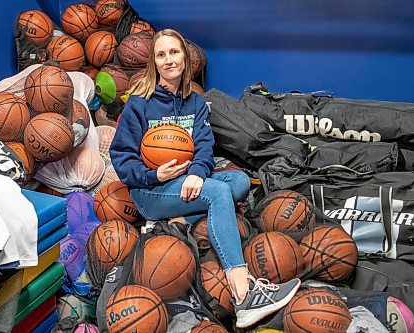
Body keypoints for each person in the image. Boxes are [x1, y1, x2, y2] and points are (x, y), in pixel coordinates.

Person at [109, 28, 300, 328]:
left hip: (186, 183)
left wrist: (197, 174)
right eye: (161, 55)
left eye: (174, 52)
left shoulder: (195, 103)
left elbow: (205, 148)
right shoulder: (139, 103)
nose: (168, 60)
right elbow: (120, 157)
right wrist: (153, 173)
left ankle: (181, 220)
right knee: (219, 194)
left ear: (185, 58)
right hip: (150, 191)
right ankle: (243, 293)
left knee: (237, 183)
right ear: (154, 63)